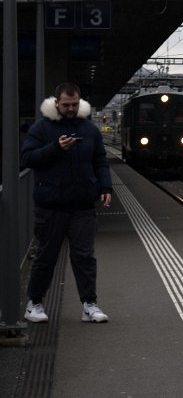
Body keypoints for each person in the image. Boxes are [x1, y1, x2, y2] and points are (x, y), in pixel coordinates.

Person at [21, 83, 112, 324]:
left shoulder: (90, 130)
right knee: (46, 256)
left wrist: (105, 187)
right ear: (56, 103)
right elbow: (28, 157)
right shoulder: (41, 128)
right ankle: (35, 303)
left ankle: (89, 304)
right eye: (66, 105)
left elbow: (100, 160)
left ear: (79, 102)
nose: (71, 109)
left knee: (85, 257)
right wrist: (56, 148)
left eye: (74, 105)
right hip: (50, 206)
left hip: (82, 205)